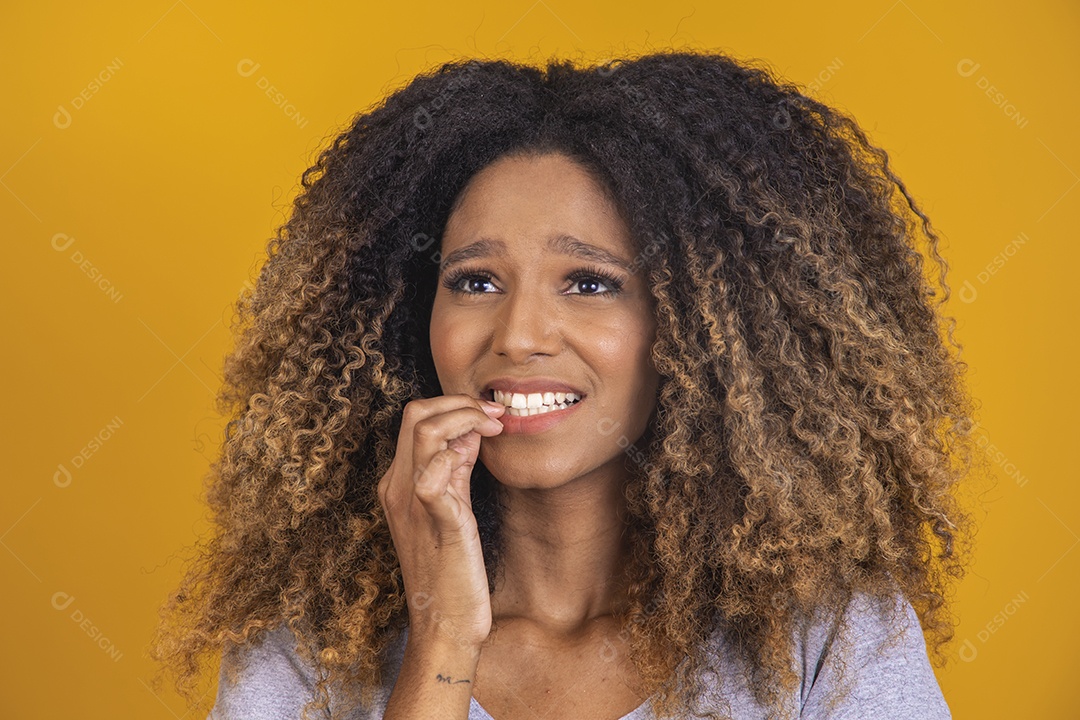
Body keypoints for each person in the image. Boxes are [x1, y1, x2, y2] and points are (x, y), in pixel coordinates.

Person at [148, 50, 978, 720]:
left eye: (589, 282)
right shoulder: (310, 651)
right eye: (475, 281)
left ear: (698, 327)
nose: (517, 336)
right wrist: (442, 639)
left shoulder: (830, 638)